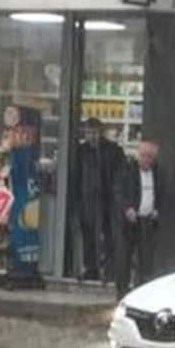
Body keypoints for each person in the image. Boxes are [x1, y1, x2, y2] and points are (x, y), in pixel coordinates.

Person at [71, 118, 124, 281]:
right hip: (87, 199)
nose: (91, 137)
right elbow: (76, 176)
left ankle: (108, 270)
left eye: (94, 133)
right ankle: (91, 268)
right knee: (88, 235)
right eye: (87, 133)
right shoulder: (81, 151)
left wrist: (116, 198)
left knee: (108, 235)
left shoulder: (113, 150)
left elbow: (119, 175)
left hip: (106, 199)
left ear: (100, 133)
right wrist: (77, 200)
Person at [117, 139, 164, 299]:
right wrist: (126, 208)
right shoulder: (128, 170)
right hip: (130, 221)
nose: (146, 160)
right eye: (144, 156)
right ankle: (122, 293)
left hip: (147, 220)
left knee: (146, 260)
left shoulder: (157, 172)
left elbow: (161, 192)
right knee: (125, 258)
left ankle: (142, 294)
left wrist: (157, 209)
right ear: (138, 155)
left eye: (150, 157)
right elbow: (118, 191)